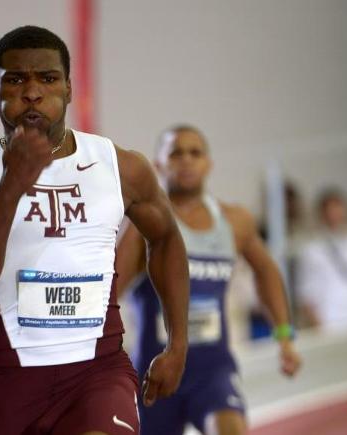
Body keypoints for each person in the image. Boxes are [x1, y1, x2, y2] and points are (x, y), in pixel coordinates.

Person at [0, 26, 190, 435]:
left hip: (98, 372)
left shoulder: (120, 166)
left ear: (69, 88)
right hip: (11, 380)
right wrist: (11, 188)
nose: (32, 92)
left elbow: (165, 238)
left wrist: (177, 344)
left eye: (48, 79)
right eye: (16, 79)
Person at [116, 125, 301, 435]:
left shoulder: (234, 220)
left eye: (195, 152)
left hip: (212, 369)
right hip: (155, 373)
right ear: (158, 164)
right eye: (176, 153)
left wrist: (284, 335)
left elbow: (267, 270)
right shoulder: (141, 226)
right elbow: (109, 290)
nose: (186, 160)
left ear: (208, 164)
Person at [296, 188, 347, 331]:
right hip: (328, 321)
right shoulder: (311, 250)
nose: (334, 215)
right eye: (329, 210)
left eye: (337, 208)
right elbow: (306, 295)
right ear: (322, 214)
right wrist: (319, 328)